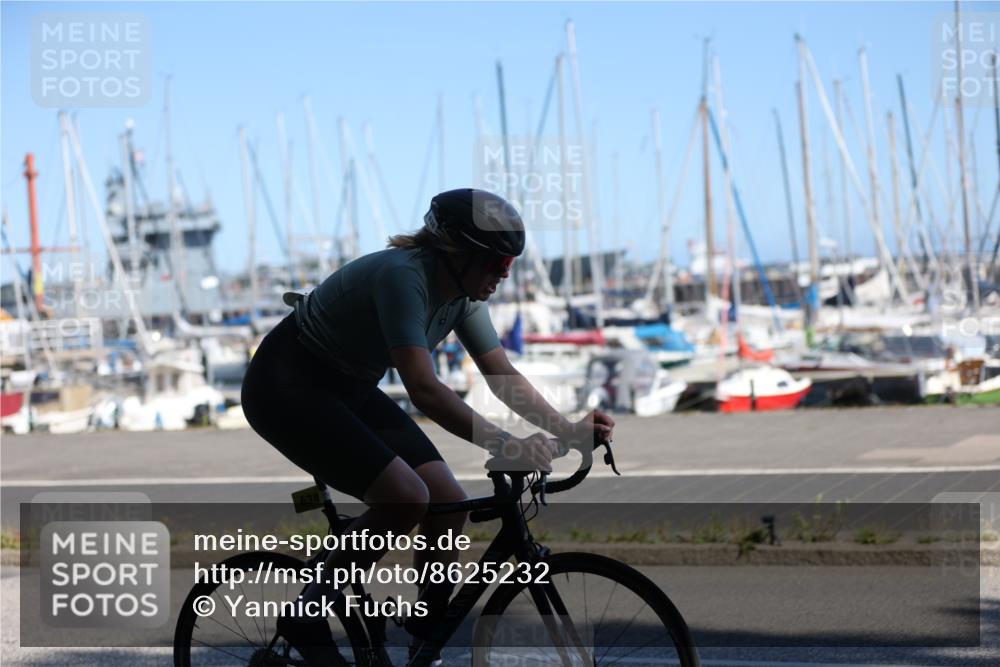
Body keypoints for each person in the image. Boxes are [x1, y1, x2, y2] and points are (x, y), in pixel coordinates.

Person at [241, 188, 614, 665]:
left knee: (448, 502)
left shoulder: (463, 293)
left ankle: (427, 635)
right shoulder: (404, 276)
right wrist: (506, 444)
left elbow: (500, 376)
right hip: (286, 384)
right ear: (455, 253)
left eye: (510, 261)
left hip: (348, 386)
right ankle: (306, 615)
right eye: (495, 260)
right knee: (406, 498)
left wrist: (567, 431)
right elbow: (424, 389)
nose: (504, 272)